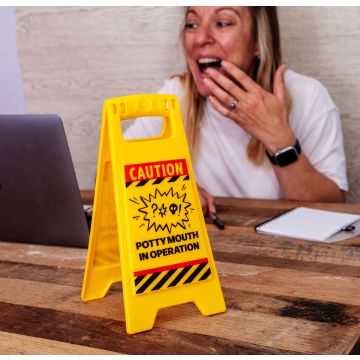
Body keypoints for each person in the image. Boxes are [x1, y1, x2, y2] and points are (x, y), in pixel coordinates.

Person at [125, 6, 348, 214]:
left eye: (222, 23)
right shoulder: (174, 98)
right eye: (192, 24)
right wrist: (168, 191)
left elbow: (333, 209)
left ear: (258, 42)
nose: (201, 38)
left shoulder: (307, 96)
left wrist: (278, 139)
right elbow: (107, 177)